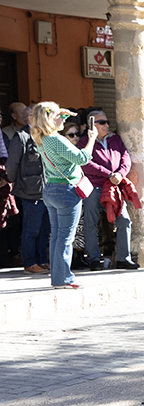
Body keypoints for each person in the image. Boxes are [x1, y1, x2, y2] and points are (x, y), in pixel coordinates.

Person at [36, 103, 98, 289]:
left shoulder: (42, 138)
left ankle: (58, 279)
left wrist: (61, 115)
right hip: (66, 191)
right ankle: (65, 278)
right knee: (65, 238)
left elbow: (55, 125)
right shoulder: (57, 140)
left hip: (51, 189)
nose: (62, 120)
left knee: (57, 236)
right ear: (49, 119)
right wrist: (91, 139)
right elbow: (82, 158)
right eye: (57, 116)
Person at [79, 110, 138, 269]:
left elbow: (125, 157)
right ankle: (93, 259)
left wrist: (120, 174)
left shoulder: (115, 139)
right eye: (102, 122)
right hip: (93, 187)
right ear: (93, 125)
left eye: (107, 122)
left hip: (113, 187)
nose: (107, 125)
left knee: (124, 220)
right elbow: (86, 164)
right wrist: (109, 174)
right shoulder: (84, 142)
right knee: (91, 223)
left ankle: (123, 258)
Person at [5, 104, 51, 275]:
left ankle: (41, 260)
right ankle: (30, 262)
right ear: (30, 118)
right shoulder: (21, 137)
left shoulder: (46, 135)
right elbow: (12, 166)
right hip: (30, 191)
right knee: (31, 229)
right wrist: (16, 182)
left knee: (44, 229)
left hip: (47, 190)